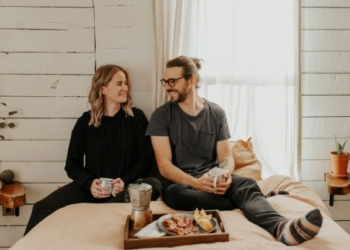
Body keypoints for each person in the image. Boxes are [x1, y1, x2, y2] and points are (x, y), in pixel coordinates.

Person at [146, 55, 323, 246]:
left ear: (191, 79)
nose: (167, 86)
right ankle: (257, 198)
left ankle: (282, 228)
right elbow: (164, 166)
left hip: (213, 180)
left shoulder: (216, 112)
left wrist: (224, 174)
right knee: (183, 197)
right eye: (165, 81)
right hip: (181, 185)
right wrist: (197, 183)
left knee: (246, 183)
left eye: (173, 81)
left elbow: (226, 157)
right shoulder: (161, 116)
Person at [24, 64, 161, 235]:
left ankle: (100, 211)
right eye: (119, 84)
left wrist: (124, 181)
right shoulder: (85, 122)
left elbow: (146, 159)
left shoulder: (136, 118)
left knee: (153, 185)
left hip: (125, 189)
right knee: (41, 207)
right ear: (103, 88)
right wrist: (89, 184)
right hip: (93, 189)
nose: (125, 88)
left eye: (125, 83)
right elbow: (72, 165)